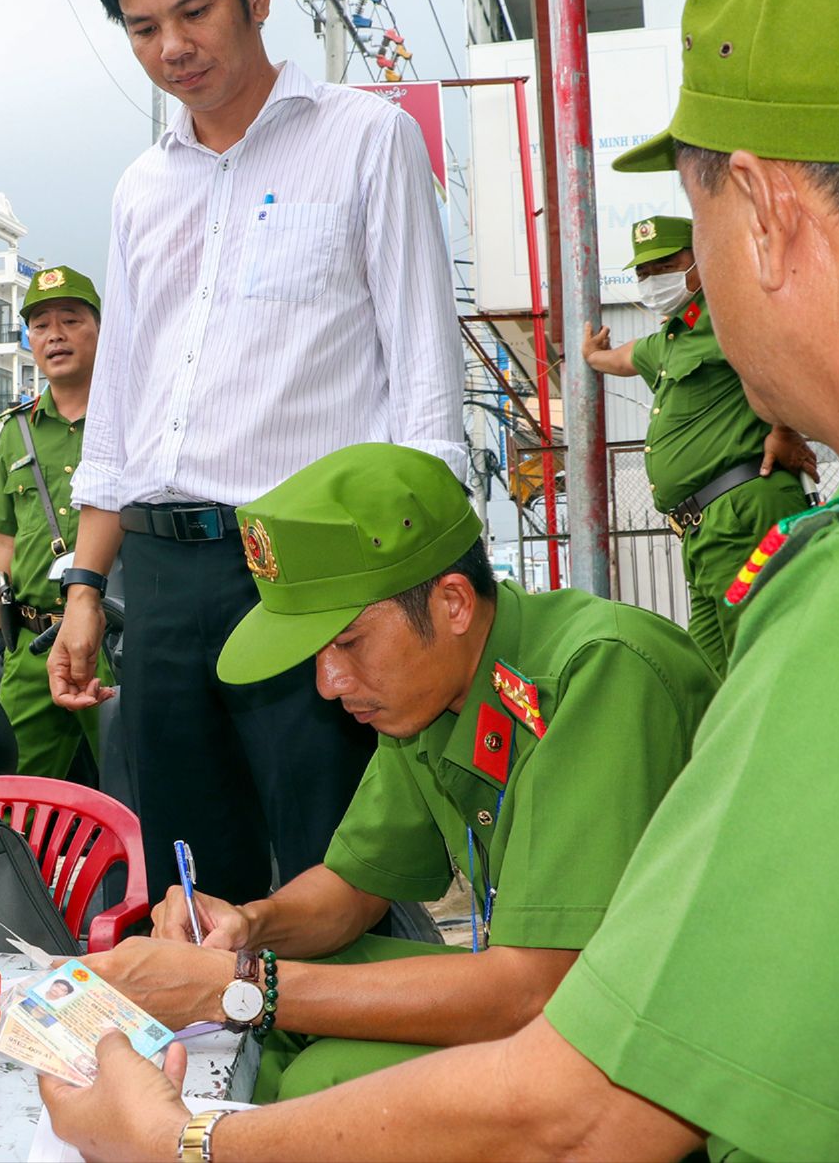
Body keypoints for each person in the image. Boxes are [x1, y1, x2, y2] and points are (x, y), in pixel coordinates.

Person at [39, 0, 839, 1163]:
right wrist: (249, 938)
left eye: (690, 214)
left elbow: (598, 1108)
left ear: (765, 212)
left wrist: (182, 1140)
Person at [48, 0, 465, 906]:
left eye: (194, 12)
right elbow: (121, 413)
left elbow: (422, 378)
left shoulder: (364, 140)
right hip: (159, 575)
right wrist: (84, 587)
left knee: (340, 870)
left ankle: (351, 1063)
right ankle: (202, 1070)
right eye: (142, 28)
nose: (172, 46)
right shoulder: (141, 189)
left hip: (311, 575)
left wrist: (408, 585)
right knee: (189, 885)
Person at [83, 442, 714, 1102]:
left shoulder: (600, 673)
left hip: (676, 1039)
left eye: (349, 642)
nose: (328, 683)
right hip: (574, 1003)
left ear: (453, 603)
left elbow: (537, 987)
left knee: (314, 1074)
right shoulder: (431, 692)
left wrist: (241, 986)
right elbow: (353, 887)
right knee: (286, 1008)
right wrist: (246, 926)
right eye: (315, 653)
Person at [581, 214, 816, 672]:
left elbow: (791, 347)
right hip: (702, 533)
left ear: (700, 259)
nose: (653, 281)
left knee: (762, 667)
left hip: (742, 513)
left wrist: (785, 428)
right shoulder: (672, 338)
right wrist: (593, 357)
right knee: (708, 680)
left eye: (667, 265)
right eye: (645, 273)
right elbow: (629, 357)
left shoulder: (731, 310)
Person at [0, 265, 115, 778]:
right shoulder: (16, 432)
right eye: (41, 325)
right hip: (30, 646)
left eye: (71, 320)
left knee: (135, 788)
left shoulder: (133, 421)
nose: (55, 335)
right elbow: (0, 548)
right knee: (14, 795)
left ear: (102, 330)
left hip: (116, 642)